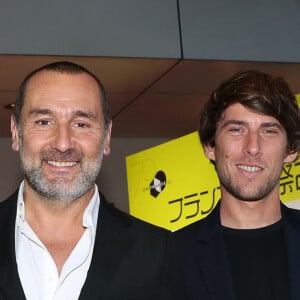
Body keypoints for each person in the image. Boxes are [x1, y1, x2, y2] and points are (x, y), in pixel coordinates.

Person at [0, 61, 181, 299]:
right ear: (16, 132)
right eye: (44, 122)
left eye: (81, 124)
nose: (63, 143)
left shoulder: (161, 253)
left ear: (106, 137)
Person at [174, 70, 300, 300]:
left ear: (291, 150)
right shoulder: (172, 257)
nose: (252, 147)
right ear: (210, 146)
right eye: (237, 129)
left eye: (269, 131)